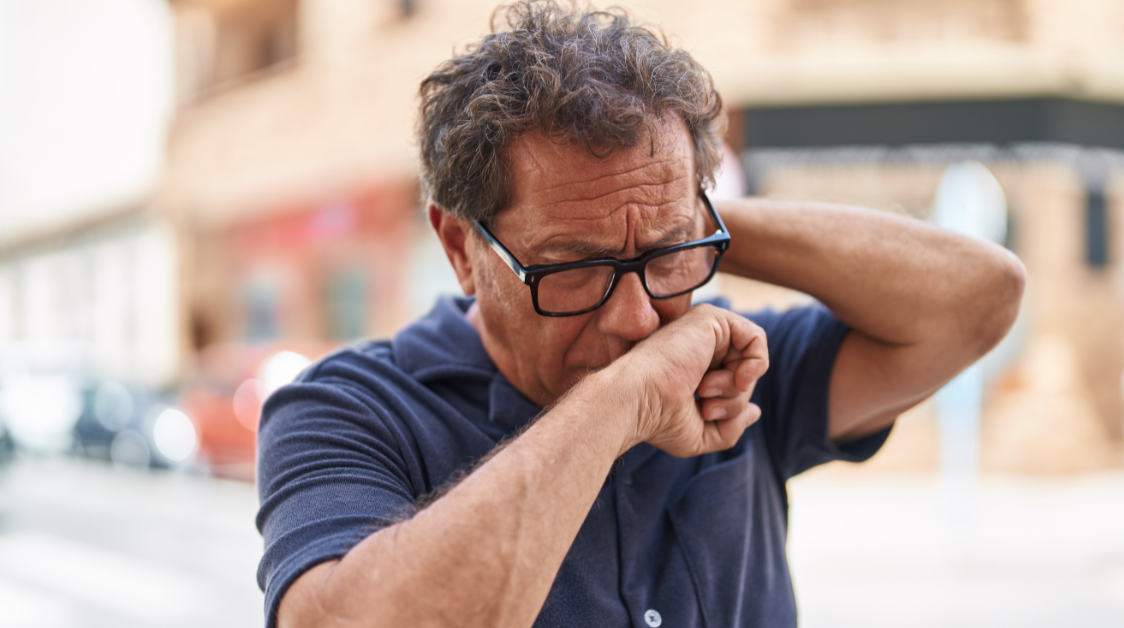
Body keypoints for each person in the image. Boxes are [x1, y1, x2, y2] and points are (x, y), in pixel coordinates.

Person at [254, 2, 1025, 627]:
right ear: (461, 247)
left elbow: (978, 297)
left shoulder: (731, 367)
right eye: (575, 265)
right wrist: (627, 401)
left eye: (666, 259)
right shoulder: (345, 409)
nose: (635, 320)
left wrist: (681, 218)